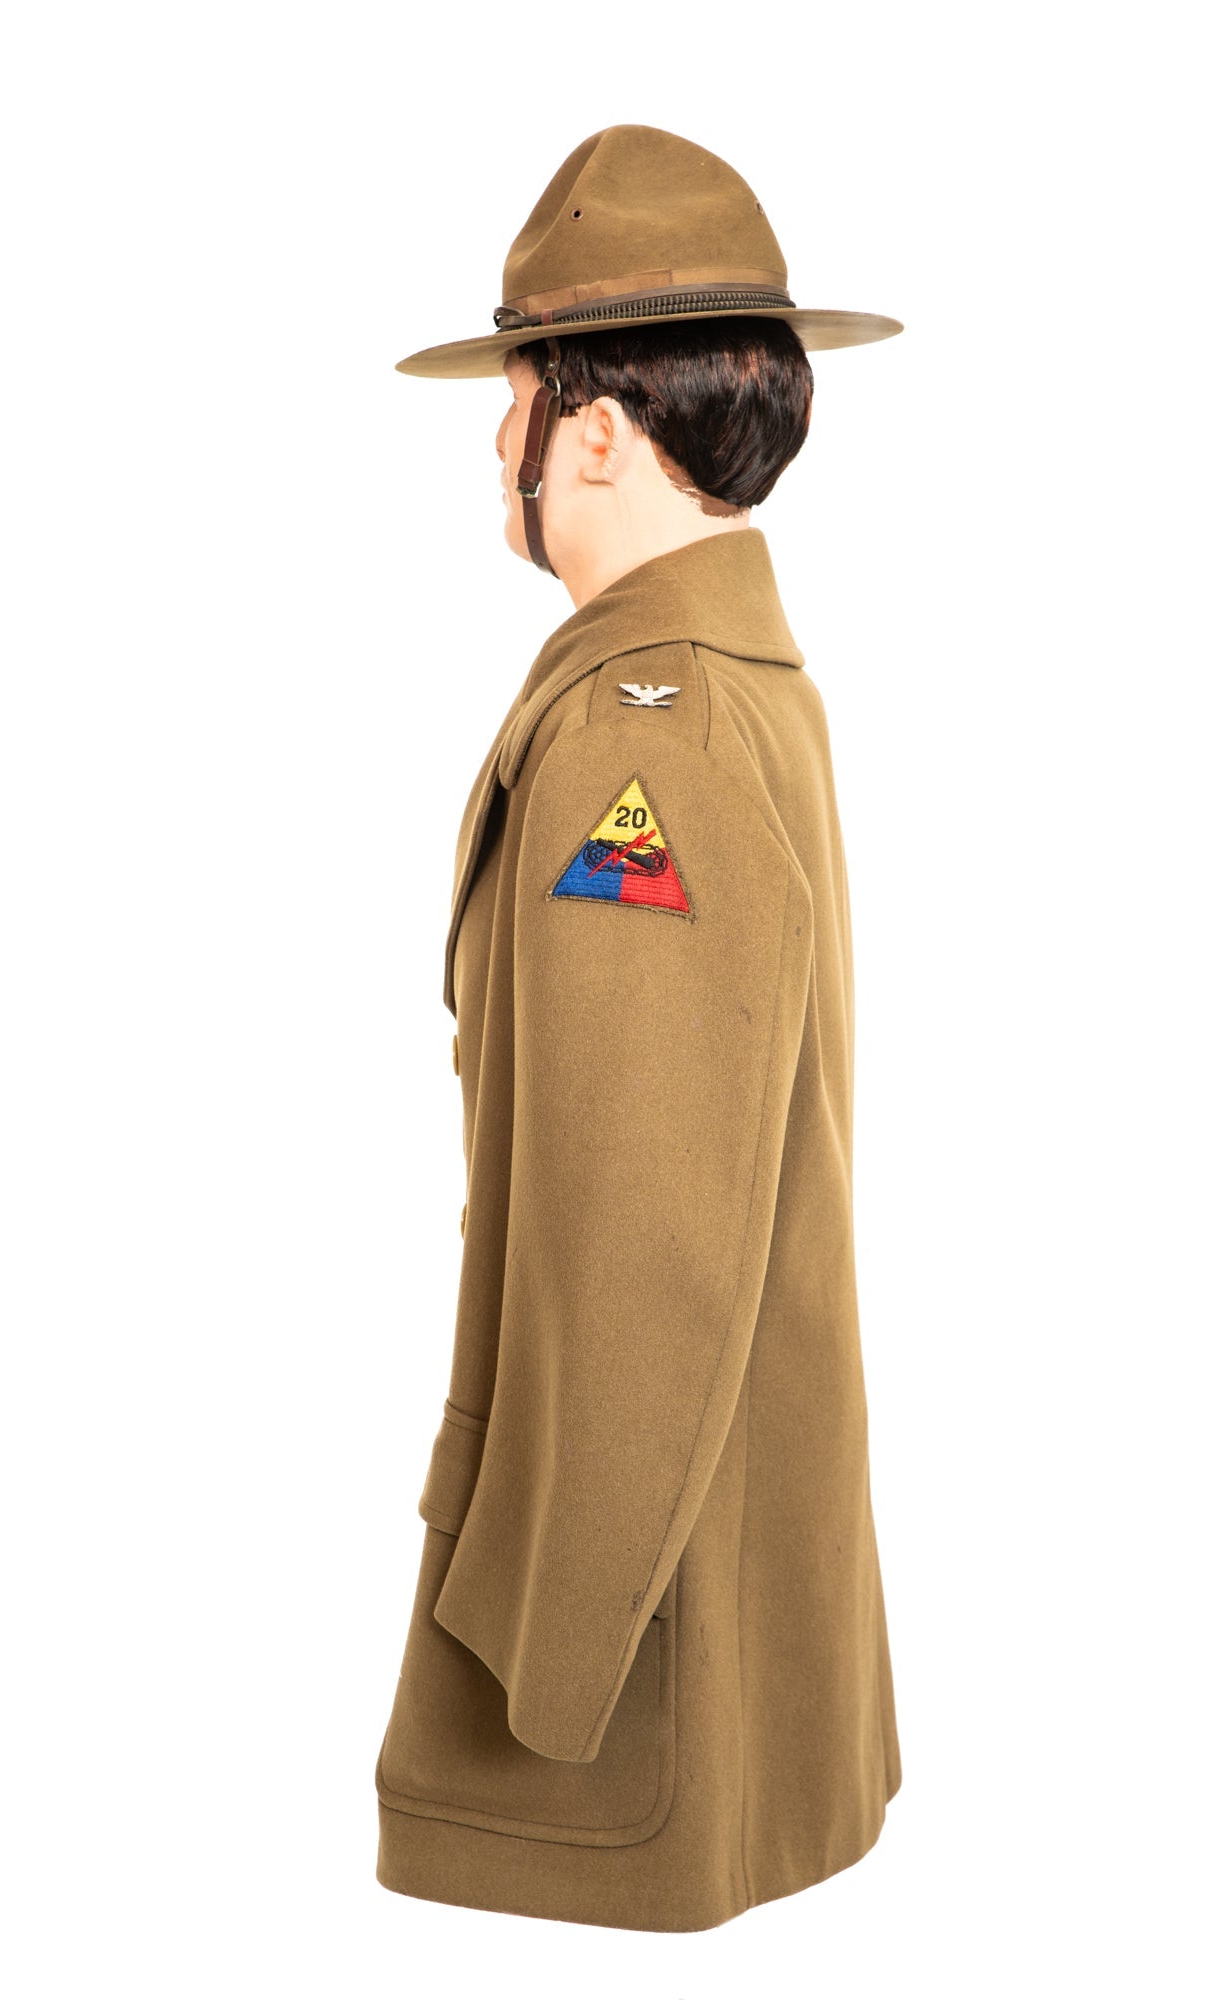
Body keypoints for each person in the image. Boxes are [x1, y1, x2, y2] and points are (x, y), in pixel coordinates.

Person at [372, 123, 905, 1933]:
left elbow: (645, 1235)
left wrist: (543, 1637)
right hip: (723, 1575)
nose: (496, 441)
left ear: (593, 433)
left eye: (518, 396)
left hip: (629, 1650)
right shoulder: (739, 682)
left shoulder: (641, 731)